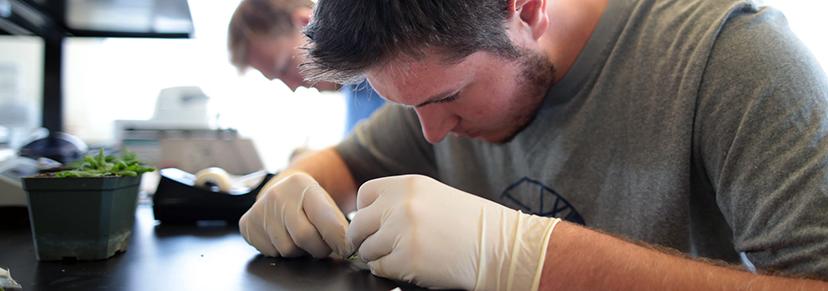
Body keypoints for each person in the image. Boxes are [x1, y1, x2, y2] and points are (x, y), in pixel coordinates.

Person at [239, 0, 828, 289]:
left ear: (525, 9)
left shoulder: (733, 61)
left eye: (447, 99)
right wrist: (298, 186)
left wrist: (524, 255)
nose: (433, 133)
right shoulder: (438, 84)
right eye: (409, 107)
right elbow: (348, 162)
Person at [227, 0, 385, 133]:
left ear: (307, 22)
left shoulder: (392, 79)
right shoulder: (356, 94)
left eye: (285, 68)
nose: (292, 87)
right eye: (277, 78)